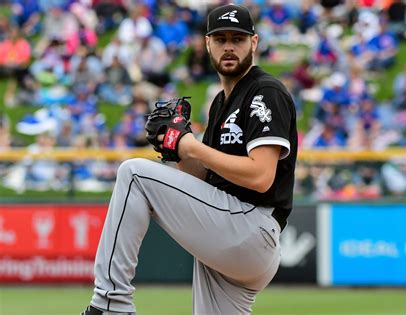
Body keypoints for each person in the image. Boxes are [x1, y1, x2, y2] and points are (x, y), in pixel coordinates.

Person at [81, 4, 298, 315]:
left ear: (254, 42)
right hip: (231, 235)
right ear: (207, 44)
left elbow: (261, 176)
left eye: (237, 39)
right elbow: (201, 180)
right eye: (220, 39)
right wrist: (176, 150)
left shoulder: (264, 91)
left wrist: (191, 145)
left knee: (134, 175)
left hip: (251, 224)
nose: (229, 47)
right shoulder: (222, 102)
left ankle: (110, 304)